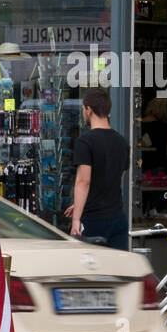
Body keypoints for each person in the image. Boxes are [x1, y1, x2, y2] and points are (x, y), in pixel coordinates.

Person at [65, 87, 130, 250]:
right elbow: (115, 179)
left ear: (89, 110)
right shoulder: (122, 142)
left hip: (94, 220)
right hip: (117, 219)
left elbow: (83, 181)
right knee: (117, 273)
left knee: (90, 272)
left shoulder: (85, 141)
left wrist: (76, 220)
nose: (83, 112)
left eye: (83, 109)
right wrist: (81, 203)